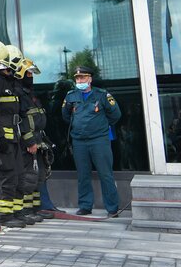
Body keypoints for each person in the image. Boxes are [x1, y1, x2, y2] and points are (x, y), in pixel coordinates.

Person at [0, 40, 31, 230]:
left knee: (17, 175)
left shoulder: (8, 81)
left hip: (14, 138)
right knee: (5, 176)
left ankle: (15, 211)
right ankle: (3, 215)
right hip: (4, 138)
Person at [61, 66, 122, 216]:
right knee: (83, 175)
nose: (79, 80)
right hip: (79, 141)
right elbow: (66, 116)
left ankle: (112, 208)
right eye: (77, 78)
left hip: (99, 140)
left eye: (82, 77)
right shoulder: (71, 96)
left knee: (105, 174)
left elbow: (115, 114)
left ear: (90, 79)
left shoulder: (102, 95)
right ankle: (85, 206)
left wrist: (100, 127)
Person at [16, 58, 54, 220]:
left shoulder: (30, 94)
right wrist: (30, 141)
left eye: (32, 74)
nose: (31, 77)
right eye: (28, 73)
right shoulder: (19, 93)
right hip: (28, 144)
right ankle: (26, 210)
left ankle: (35, 208)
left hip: (38, 142)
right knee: (28, 177)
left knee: (38, 176)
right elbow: (22, 120)